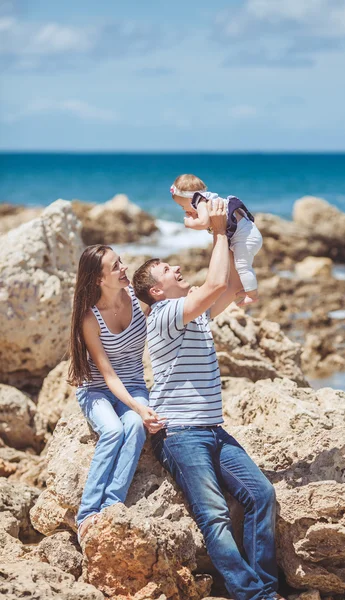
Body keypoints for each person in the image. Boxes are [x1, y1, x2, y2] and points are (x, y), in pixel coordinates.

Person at [133, 201, 282, 600]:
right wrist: (215, 231)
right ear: (156, 290)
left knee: (261, 495)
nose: (177, 268)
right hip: (180, 435)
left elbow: (230, 287)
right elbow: (215, 286)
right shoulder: (164, 314)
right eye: (167, 269)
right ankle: (253, 595)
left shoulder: (193, 314)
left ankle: (265, 586)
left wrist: (234, 233)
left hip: (213, 430)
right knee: (213, 516)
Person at [68, 244, 164, 544]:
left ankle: (112, 505)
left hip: (135, 384)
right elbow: (108, 376)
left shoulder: (137, 300)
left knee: (135, 426)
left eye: (120, 261)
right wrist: (138, 406)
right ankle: (86, 515)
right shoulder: (89, 318)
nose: (123, 268)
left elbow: (170, 305)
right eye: (115, 266)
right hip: (96, 390)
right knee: (112, 430)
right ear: (98, 279)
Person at [170, 173, 263, 306]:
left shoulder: (200, 201)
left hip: (247, 237)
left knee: (243, 266)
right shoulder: (207, 199)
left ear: (190, 198)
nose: (184, 210)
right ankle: (245, 288)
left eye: (182, 205)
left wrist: (188, 223)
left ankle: (252, 295)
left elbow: (204, 222)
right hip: (246, 234)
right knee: (237, 267)